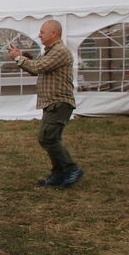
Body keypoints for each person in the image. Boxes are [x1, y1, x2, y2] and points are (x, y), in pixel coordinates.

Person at [7, 19, 83, 187]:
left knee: (47, 138)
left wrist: (18, 57)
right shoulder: (50, 52)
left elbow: (38, 67)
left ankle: (71, 169)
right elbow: (36, 68)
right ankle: (58, 174)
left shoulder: (60, 51)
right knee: (50, 138)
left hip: (59, 102)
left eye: (42, 32)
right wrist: (20, 57)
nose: (39, 35)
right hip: (53, 103)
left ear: (53, 33)